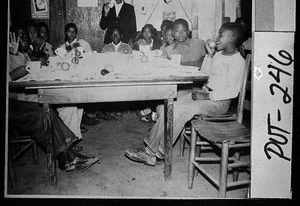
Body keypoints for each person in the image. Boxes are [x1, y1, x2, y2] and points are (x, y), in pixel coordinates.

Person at [125, 22, 247, 166]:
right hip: (205, 94)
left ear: (232, 38)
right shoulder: (219, 55)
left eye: (220, 35)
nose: (216, 38)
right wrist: (209, 55)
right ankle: (151, 151)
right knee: (169, 107)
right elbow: (205, 75)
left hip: (219, 103)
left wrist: (208, 96)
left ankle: (158, 153)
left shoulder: (237, 61)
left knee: (179, 112)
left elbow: (232, 91)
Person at [8, 27, 99, 171]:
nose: (26, 39)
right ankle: (67, 158)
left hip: (29, 95)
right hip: (16, 102)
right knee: (44, 112)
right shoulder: (13, 54)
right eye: (22, 37)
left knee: (69, 104)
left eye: (27, 36)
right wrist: (12, 69)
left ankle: (69, 150)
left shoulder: (23, 53)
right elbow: (16, 76)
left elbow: (30, 67)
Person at [58, 23, 98, 130]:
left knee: (80, 102)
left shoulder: (83, 43)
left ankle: (76, 126)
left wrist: (83, 54)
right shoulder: (62, 48)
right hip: (69, 76)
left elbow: (92, 58)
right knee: (72, 102)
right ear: (65, 33)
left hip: (82, 74)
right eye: (69, 31)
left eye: (74, 31)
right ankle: (73, 128)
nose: (72, 34)